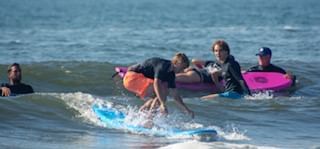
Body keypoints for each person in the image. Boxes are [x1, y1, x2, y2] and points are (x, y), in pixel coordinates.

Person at [123, 53, 194, 117]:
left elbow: (175, 94)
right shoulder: (163, 66)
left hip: (138, 79)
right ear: (176, 63)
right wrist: (162, 103)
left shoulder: (171, 75)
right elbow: (156, 83)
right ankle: (148, 119)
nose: (183, 71)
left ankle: (140, 115)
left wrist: (186, 109)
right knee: (160, 94)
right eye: (182, 68)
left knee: (160, 96)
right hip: (131, 78)